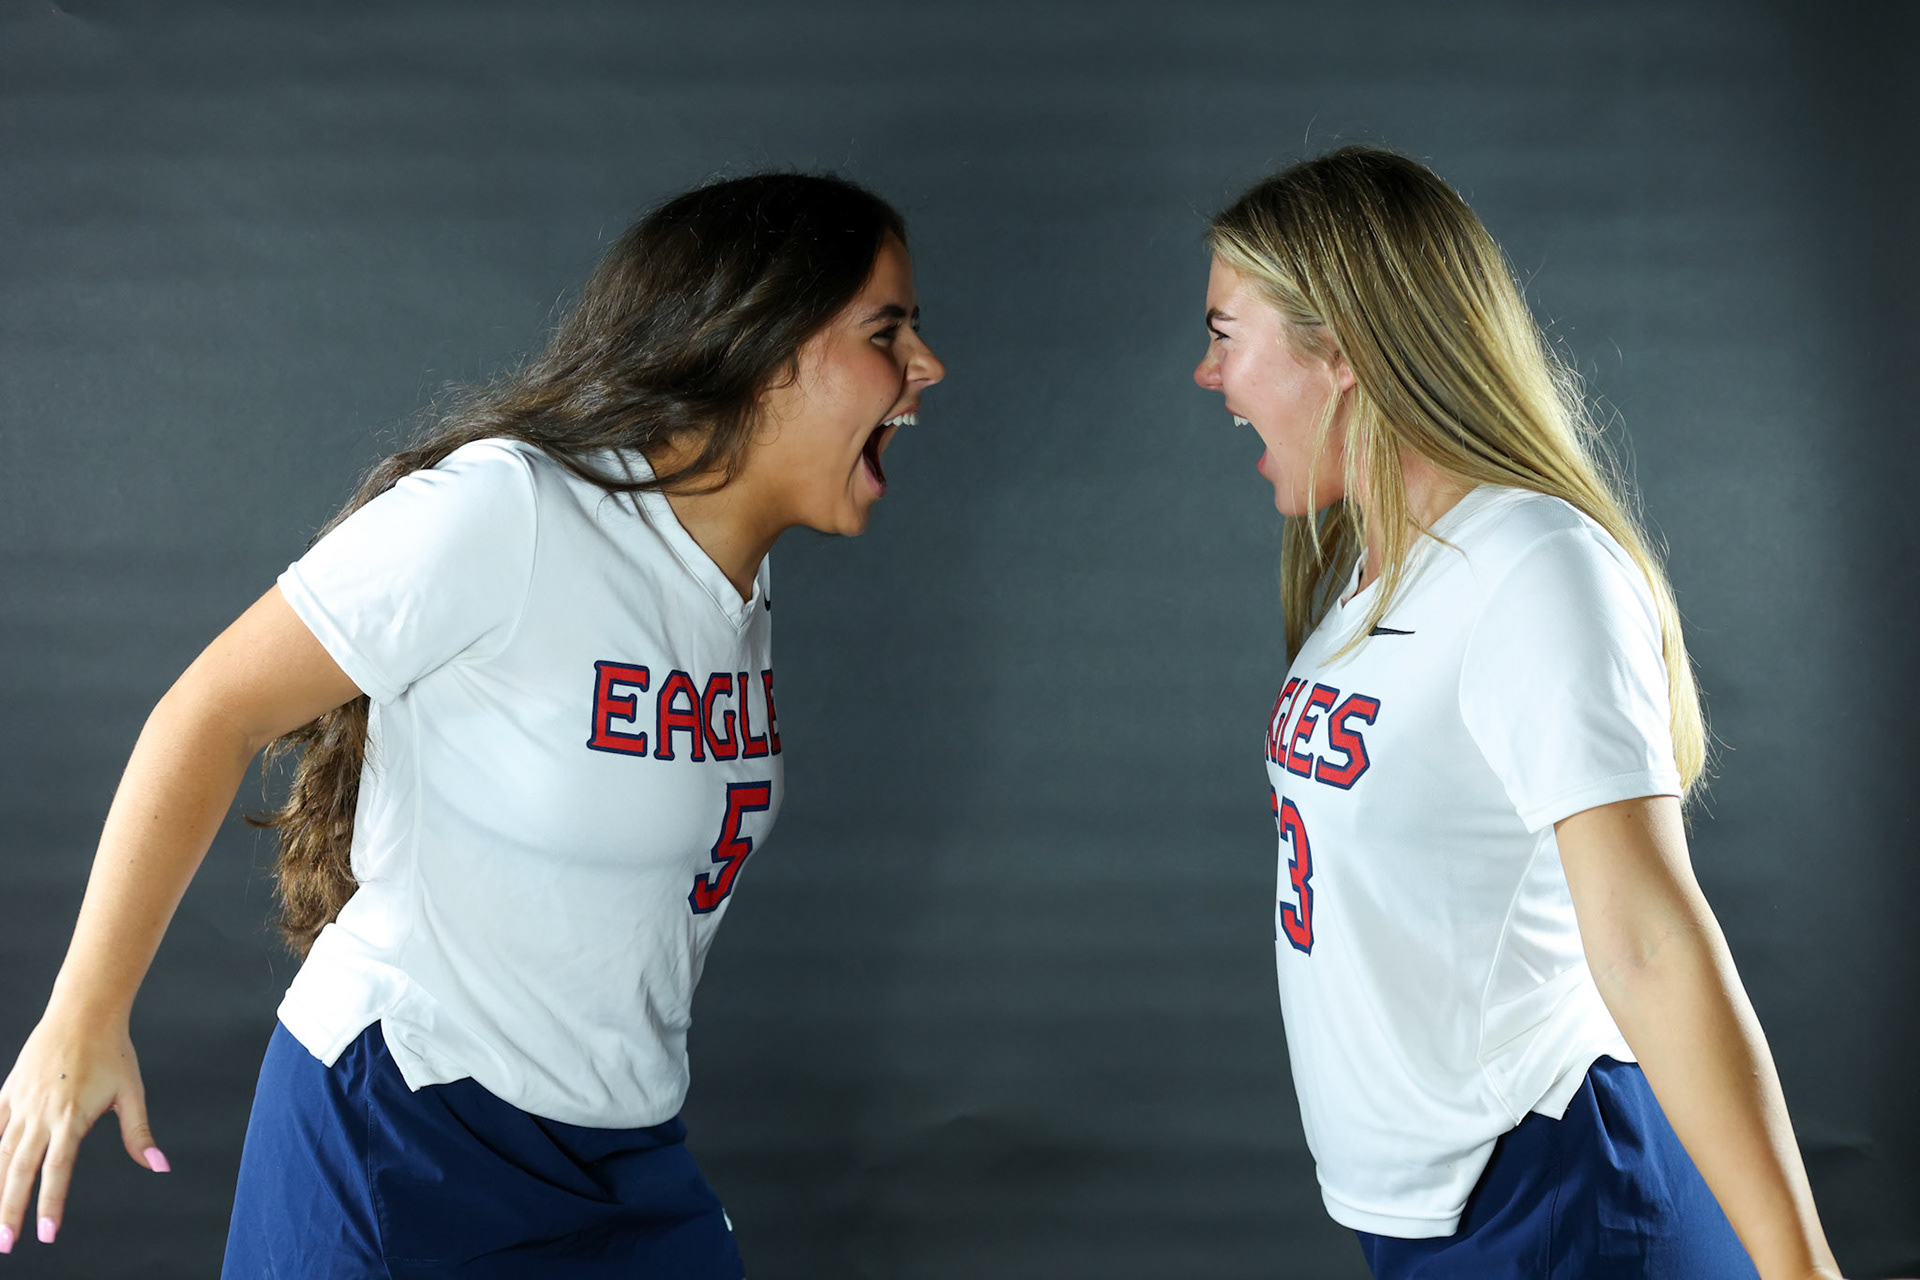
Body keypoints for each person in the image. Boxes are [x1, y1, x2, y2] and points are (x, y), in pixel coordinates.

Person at [0, 172, 944, 1277]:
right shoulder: (514, 510)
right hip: (402, 1126)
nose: (925, 367)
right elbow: (213, 706)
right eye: (889, 331)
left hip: (622, 1154)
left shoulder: (734, 586)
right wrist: (83, 1014)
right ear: (760, 342)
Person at [1192, 147, 1842, 1279]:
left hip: (1553, 1193)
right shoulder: (1372, 570)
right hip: (1435, 1209)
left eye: (1223, 331)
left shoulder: (1531, 564)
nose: (1209, 374)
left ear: (1339, 348)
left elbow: (1649, 935)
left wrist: (1802, 1269)